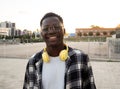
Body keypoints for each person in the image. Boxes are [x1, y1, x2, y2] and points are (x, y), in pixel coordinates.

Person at [23, 12, 96, 89]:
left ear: (64, 31)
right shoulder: (32, 62)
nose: (51, 31)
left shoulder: (81, 58)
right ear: (41, 34)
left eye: (56, 27)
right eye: (46, 28)